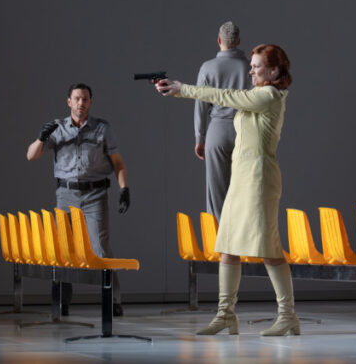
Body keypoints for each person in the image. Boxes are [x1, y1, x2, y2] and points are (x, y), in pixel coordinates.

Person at [155, 44, 299, 336]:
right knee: (228, 246)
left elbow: (225, 96)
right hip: (241, 177)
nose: (251, 71)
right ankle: (225, 315)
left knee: (269, 249)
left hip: (259, 178)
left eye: (257, 67)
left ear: (274, 71)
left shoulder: (269, 96)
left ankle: (288, 316)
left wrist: (183, 89)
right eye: (252, 66)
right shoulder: (257, 95)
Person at [26, 83, 130, 316]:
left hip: (95, 194)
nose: (81, 103)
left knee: (100, 248)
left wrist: (124, 189)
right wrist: (41, 138)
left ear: (90, 102)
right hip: (66, 194)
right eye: (76, 99)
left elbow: (117, 162)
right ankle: (62, 301)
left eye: (85, 99)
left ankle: (113, 300)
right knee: (63, 249)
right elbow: (31, 156)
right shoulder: (57, 129)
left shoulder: (102, 128)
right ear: (69, 102)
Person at [194, 21, 250, 220]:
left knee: (216, 197)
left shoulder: (208, 67)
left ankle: (219, 238)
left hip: (217, 131)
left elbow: (201, 105)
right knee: (245, 192)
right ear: (239, 41)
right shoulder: (249, 67)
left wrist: (199, 138)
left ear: (219, 40)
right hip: (244, 131)